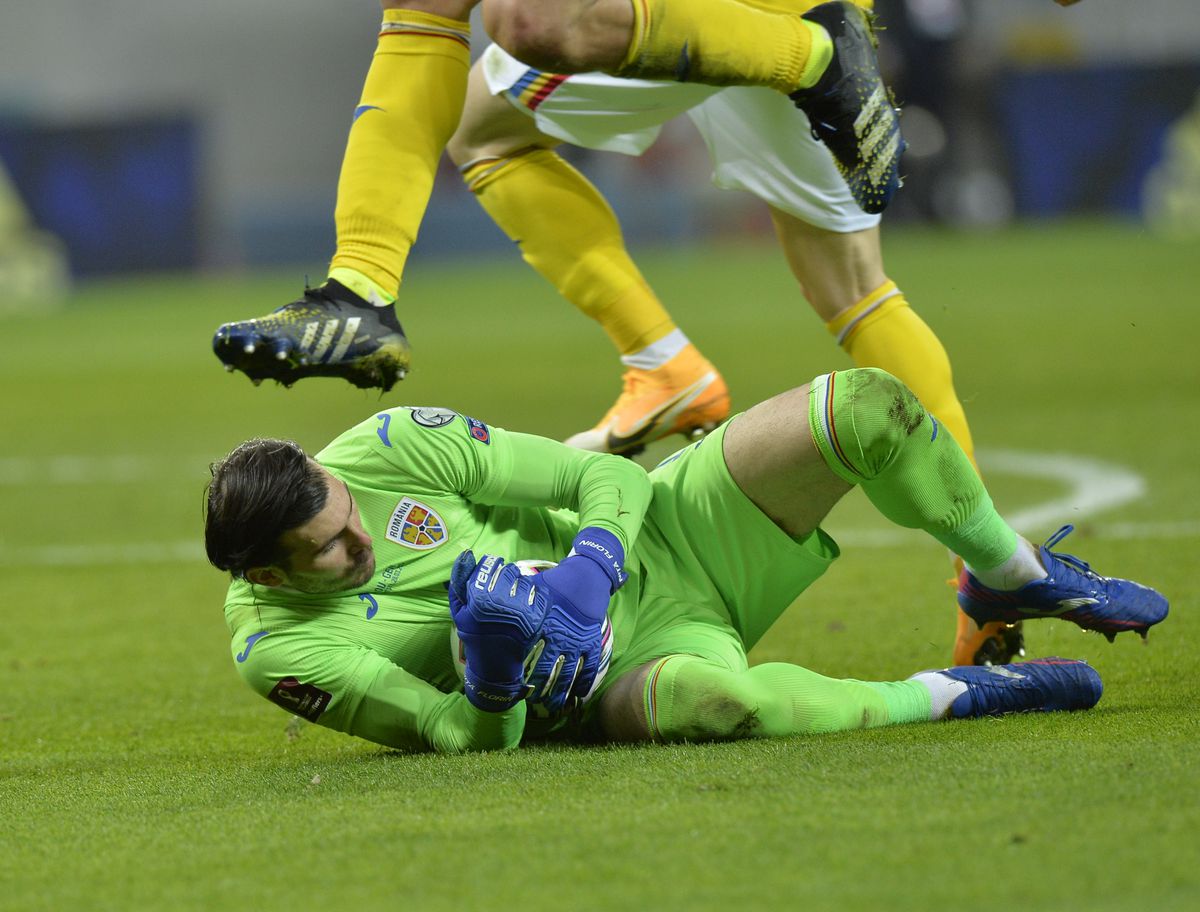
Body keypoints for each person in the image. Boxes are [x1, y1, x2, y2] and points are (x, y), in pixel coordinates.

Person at [204, 368, 1167, 752]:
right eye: (330, 548)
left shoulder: (381, 449)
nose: (360, 535)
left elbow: (607, 484)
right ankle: (958, 691)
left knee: (866, 407)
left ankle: (1005, 569)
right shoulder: (279, 654)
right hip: (602, 677)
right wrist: (494, 677)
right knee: (727, 707)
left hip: (669, 531)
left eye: (347, 511)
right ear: (268, 576)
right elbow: (461, 742)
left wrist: (588, 568)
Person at [445, 22, 1021, 664]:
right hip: (813, 26)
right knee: (859, 293)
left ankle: (661, 363)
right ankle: (985, 572)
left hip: (698, 12)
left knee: (484, 130)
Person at [211, 0, 902, 391]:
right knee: (480, 111)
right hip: (666, 22)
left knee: (849, 290)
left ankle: (813, 58)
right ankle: (361, 293)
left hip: (785, 10)